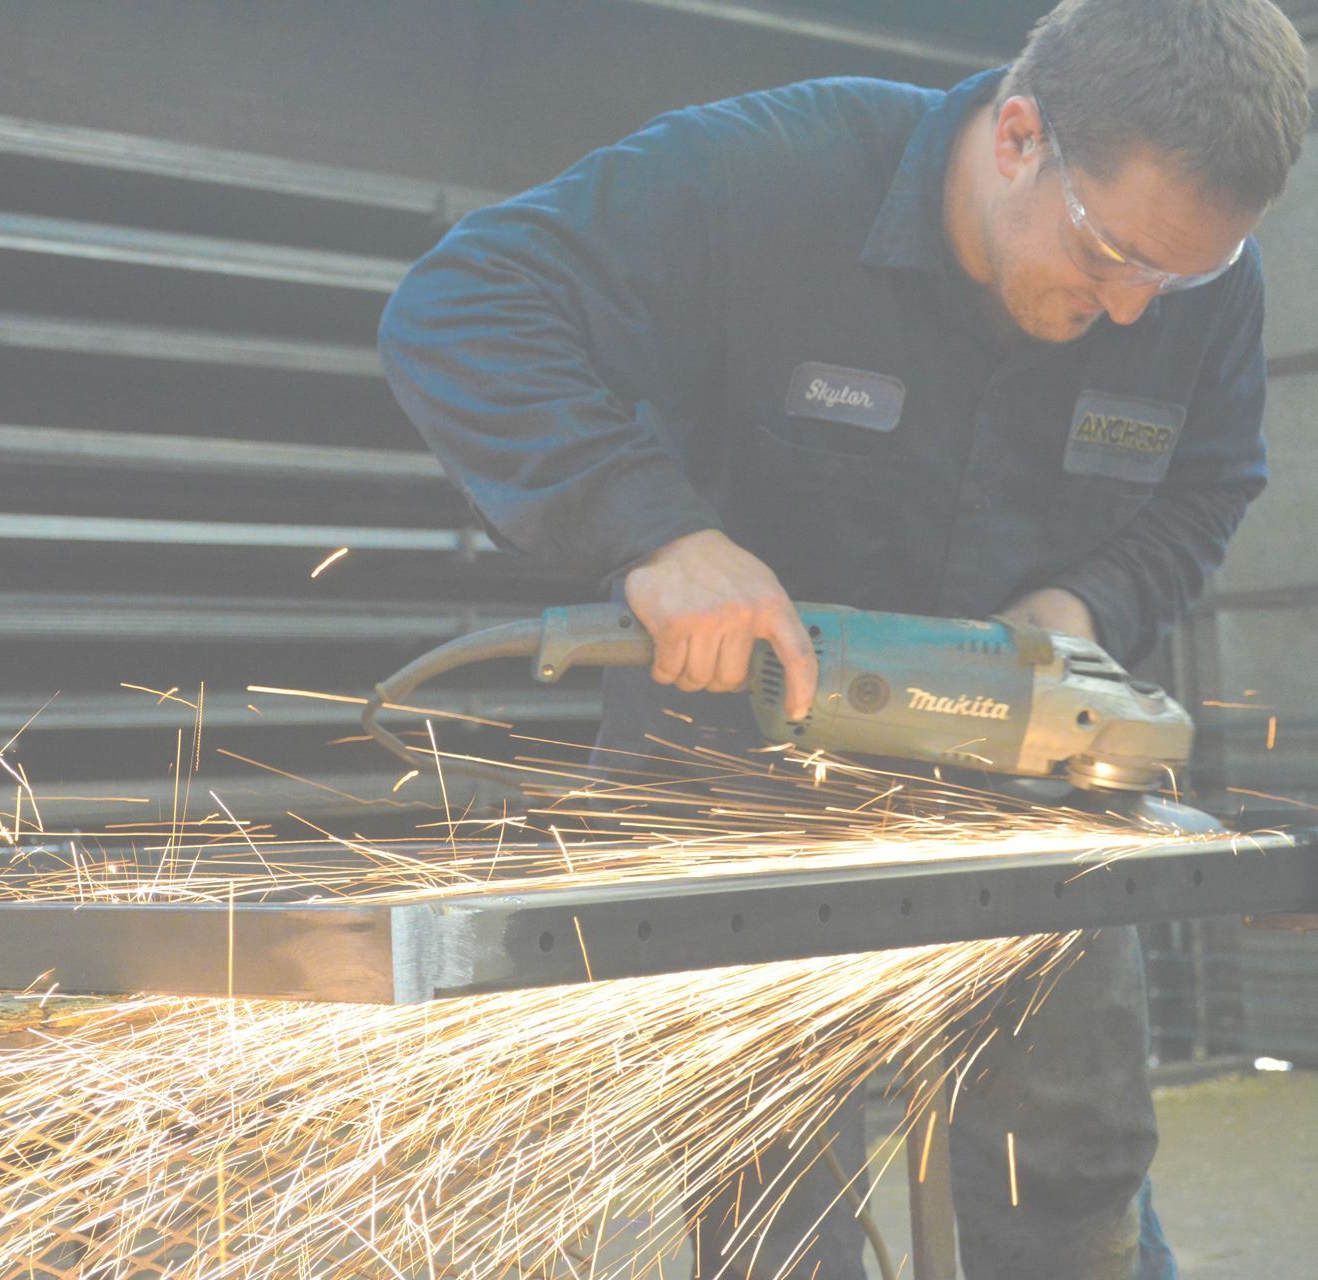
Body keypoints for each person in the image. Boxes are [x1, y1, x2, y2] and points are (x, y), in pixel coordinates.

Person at [377, 0, 1310, 1276]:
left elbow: (1207, 485)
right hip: (734, 769)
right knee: (770, 1208)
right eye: (1110, 253)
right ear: (1020, 137)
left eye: (1178, 275)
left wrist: (1080, 609)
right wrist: (657, 533)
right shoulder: (769, 175)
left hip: (1027, 780)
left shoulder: (1195, 282)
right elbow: (462, 301)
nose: (1137, 309)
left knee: (1073, 1174)